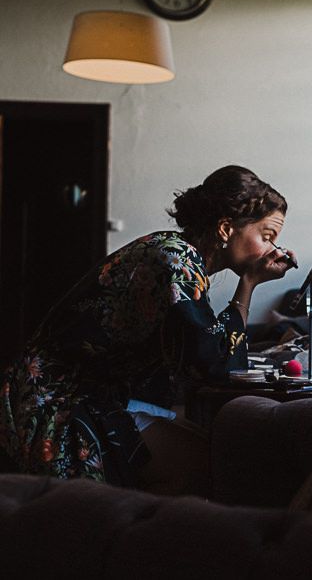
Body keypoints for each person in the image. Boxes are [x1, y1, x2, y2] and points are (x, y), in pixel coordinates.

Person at [0, 165, 296, 495]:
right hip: (56, 404)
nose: (274, 249)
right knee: (207, 465)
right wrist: (250, 282)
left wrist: (248, 282)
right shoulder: (174, 260)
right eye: (267, 236)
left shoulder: (182, 257)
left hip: (94, 397)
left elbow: (212, 357)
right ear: (226, 228)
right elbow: (215, 365)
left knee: (210, 451)